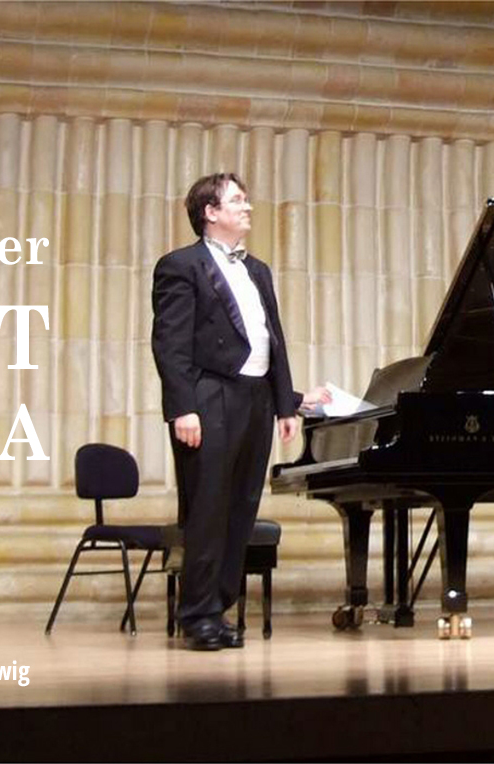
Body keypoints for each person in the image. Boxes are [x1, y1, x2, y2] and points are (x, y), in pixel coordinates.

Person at [152, 172, 329, 651]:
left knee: (241, 508)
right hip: (209, 397)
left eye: (246, 199)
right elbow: (170, 345)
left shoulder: (259, 270)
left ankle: (219, 608)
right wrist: (183, 408)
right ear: (210, 212)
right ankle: (197, 616)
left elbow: (273, 339)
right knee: (208, 508)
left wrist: (286, 402)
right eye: (237, 200)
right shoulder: (180, 266)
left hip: (255, 400)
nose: (247, 207)